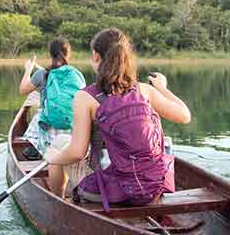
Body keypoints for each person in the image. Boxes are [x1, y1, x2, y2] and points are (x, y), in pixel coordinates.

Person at [44, 28, 191, 207]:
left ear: (95, 56)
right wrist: (162, 87)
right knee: (62, 141)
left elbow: (77, 152)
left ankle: (59, 204)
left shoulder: (86, 98)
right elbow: (185, 116)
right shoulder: (144, 90)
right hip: (154, 186)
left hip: (112, 190)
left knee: (56, 150)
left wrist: (52, 160)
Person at [19, 37, 86, 184]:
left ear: (50, 54)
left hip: (49, 126)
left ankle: (57, 195)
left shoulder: (42, 74)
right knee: (62, 155)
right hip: (72, 126)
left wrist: (28, 70)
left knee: (53, 160)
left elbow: (23, 90)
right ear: (68, 54)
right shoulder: (75, 75)